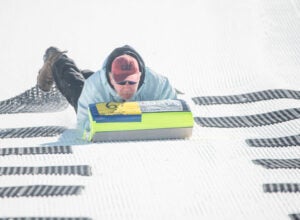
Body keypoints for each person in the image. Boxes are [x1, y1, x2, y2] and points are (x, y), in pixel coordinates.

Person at [37, 45, 177, 135]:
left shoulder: (157, 84)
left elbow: (176, 108)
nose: (127, 87)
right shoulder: (94, 88)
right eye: (121, 82)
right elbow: (83, 125)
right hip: (98, 93)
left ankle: (83, 73)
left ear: (140, 76)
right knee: (74, 85)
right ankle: (56, 60)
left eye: (131, 82)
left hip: (105, 87)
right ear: (110, 78)